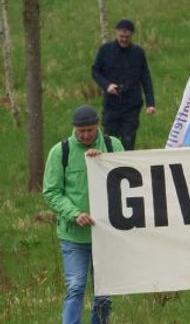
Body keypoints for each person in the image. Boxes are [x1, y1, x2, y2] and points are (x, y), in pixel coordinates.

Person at [43, 105, 124, 324]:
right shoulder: (60, 152)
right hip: (74, 236)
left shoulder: (112, 145)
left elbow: (126, 179)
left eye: (90, 130)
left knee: (104, 294)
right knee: (76, 287)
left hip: (106, 234)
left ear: (97, 125)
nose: (86, 135)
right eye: (81, 131)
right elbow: (51, 192)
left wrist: (103, 162)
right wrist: (74, 213)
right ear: (74, 129)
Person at [91, 19, 154, 150]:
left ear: (131, 35)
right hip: (111, 104)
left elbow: (146, 78)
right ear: (116, 34)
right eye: (121, 36)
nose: (124, 39)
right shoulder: (105, 50)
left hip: (131, 105)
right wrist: (107, 85)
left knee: (128, 140)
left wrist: (150, 103)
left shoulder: (138, 53)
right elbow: (95, 71)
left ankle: (127, 169)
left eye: (127, 37)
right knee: (109, 140)